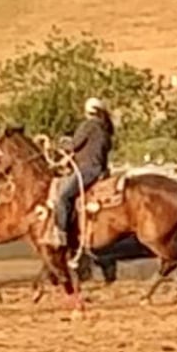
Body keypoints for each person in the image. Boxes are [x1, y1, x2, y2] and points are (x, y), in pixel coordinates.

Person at [50, 97, 115, 247]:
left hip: (87, 170)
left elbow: (74, 145)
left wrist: (59, 143)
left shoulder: (88, 126)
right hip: (100, 169)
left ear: (87, 112)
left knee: (63, 197)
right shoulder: (105, 129)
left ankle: (61, 233)